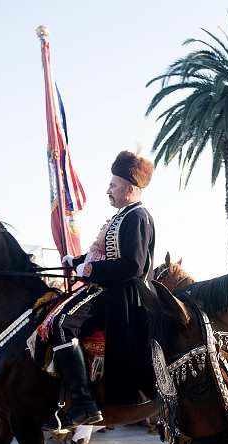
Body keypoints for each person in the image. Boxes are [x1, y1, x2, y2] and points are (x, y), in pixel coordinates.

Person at [56, 150, 156, 428]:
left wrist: (89, 271)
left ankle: (84, 403)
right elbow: (105, 256)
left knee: (62, 324)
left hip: (121, 299)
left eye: (113, 185)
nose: (108, 190)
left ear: (129, 189)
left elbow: (132, 266)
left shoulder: (137, 217)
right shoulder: (124, 215)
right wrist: (74, 261)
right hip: (108, 292)